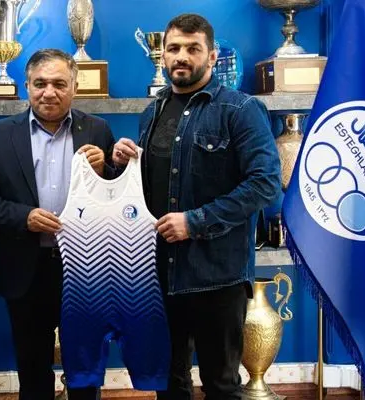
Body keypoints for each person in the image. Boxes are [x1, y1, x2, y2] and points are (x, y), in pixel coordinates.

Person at [112, 14, 281, 400]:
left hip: (216, 277)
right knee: (169, 383)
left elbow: (265, 183)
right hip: (159, 274)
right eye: (173, 48)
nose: (181, 57)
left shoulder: (240, 109)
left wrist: (195, 221)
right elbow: (157, 185)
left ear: (212, 55)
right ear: (163, 55)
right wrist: (126, 164)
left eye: (193, 48)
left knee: (221, 385)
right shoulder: (152, 112)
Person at [0, 48, 115, 400]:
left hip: (85, 268)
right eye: (40, 83)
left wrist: (106, 170)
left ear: (74, 87)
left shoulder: (97, 130)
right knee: (32, 366)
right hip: (25, 268)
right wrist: (24, 217)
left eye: (59, 84)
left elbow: (118, 196)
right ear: (27, 86)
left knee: (85, 366)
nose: (49, 92)